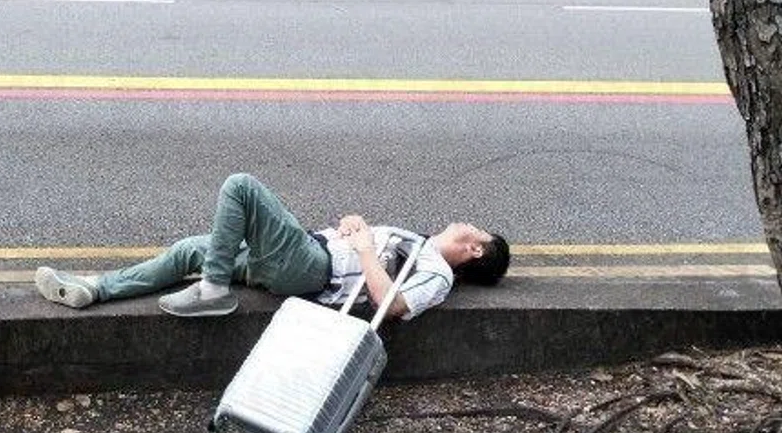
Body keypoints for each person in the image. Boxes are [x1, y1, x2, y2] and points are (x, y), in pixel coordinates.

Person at [35, 172, 510, 321]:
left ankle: (213, 290)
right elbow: (362, 247)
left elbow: (394, 305)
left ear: (475, 251)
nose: (468, 224)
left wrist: (366, 248)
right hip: (307, 252)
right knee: (187, 252)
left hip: (310, 269)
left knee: (241, 187)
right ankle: (94, 289)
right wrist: (353, 227)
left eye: (478, 231)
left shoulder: (438, 274)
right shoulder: (416, 240)